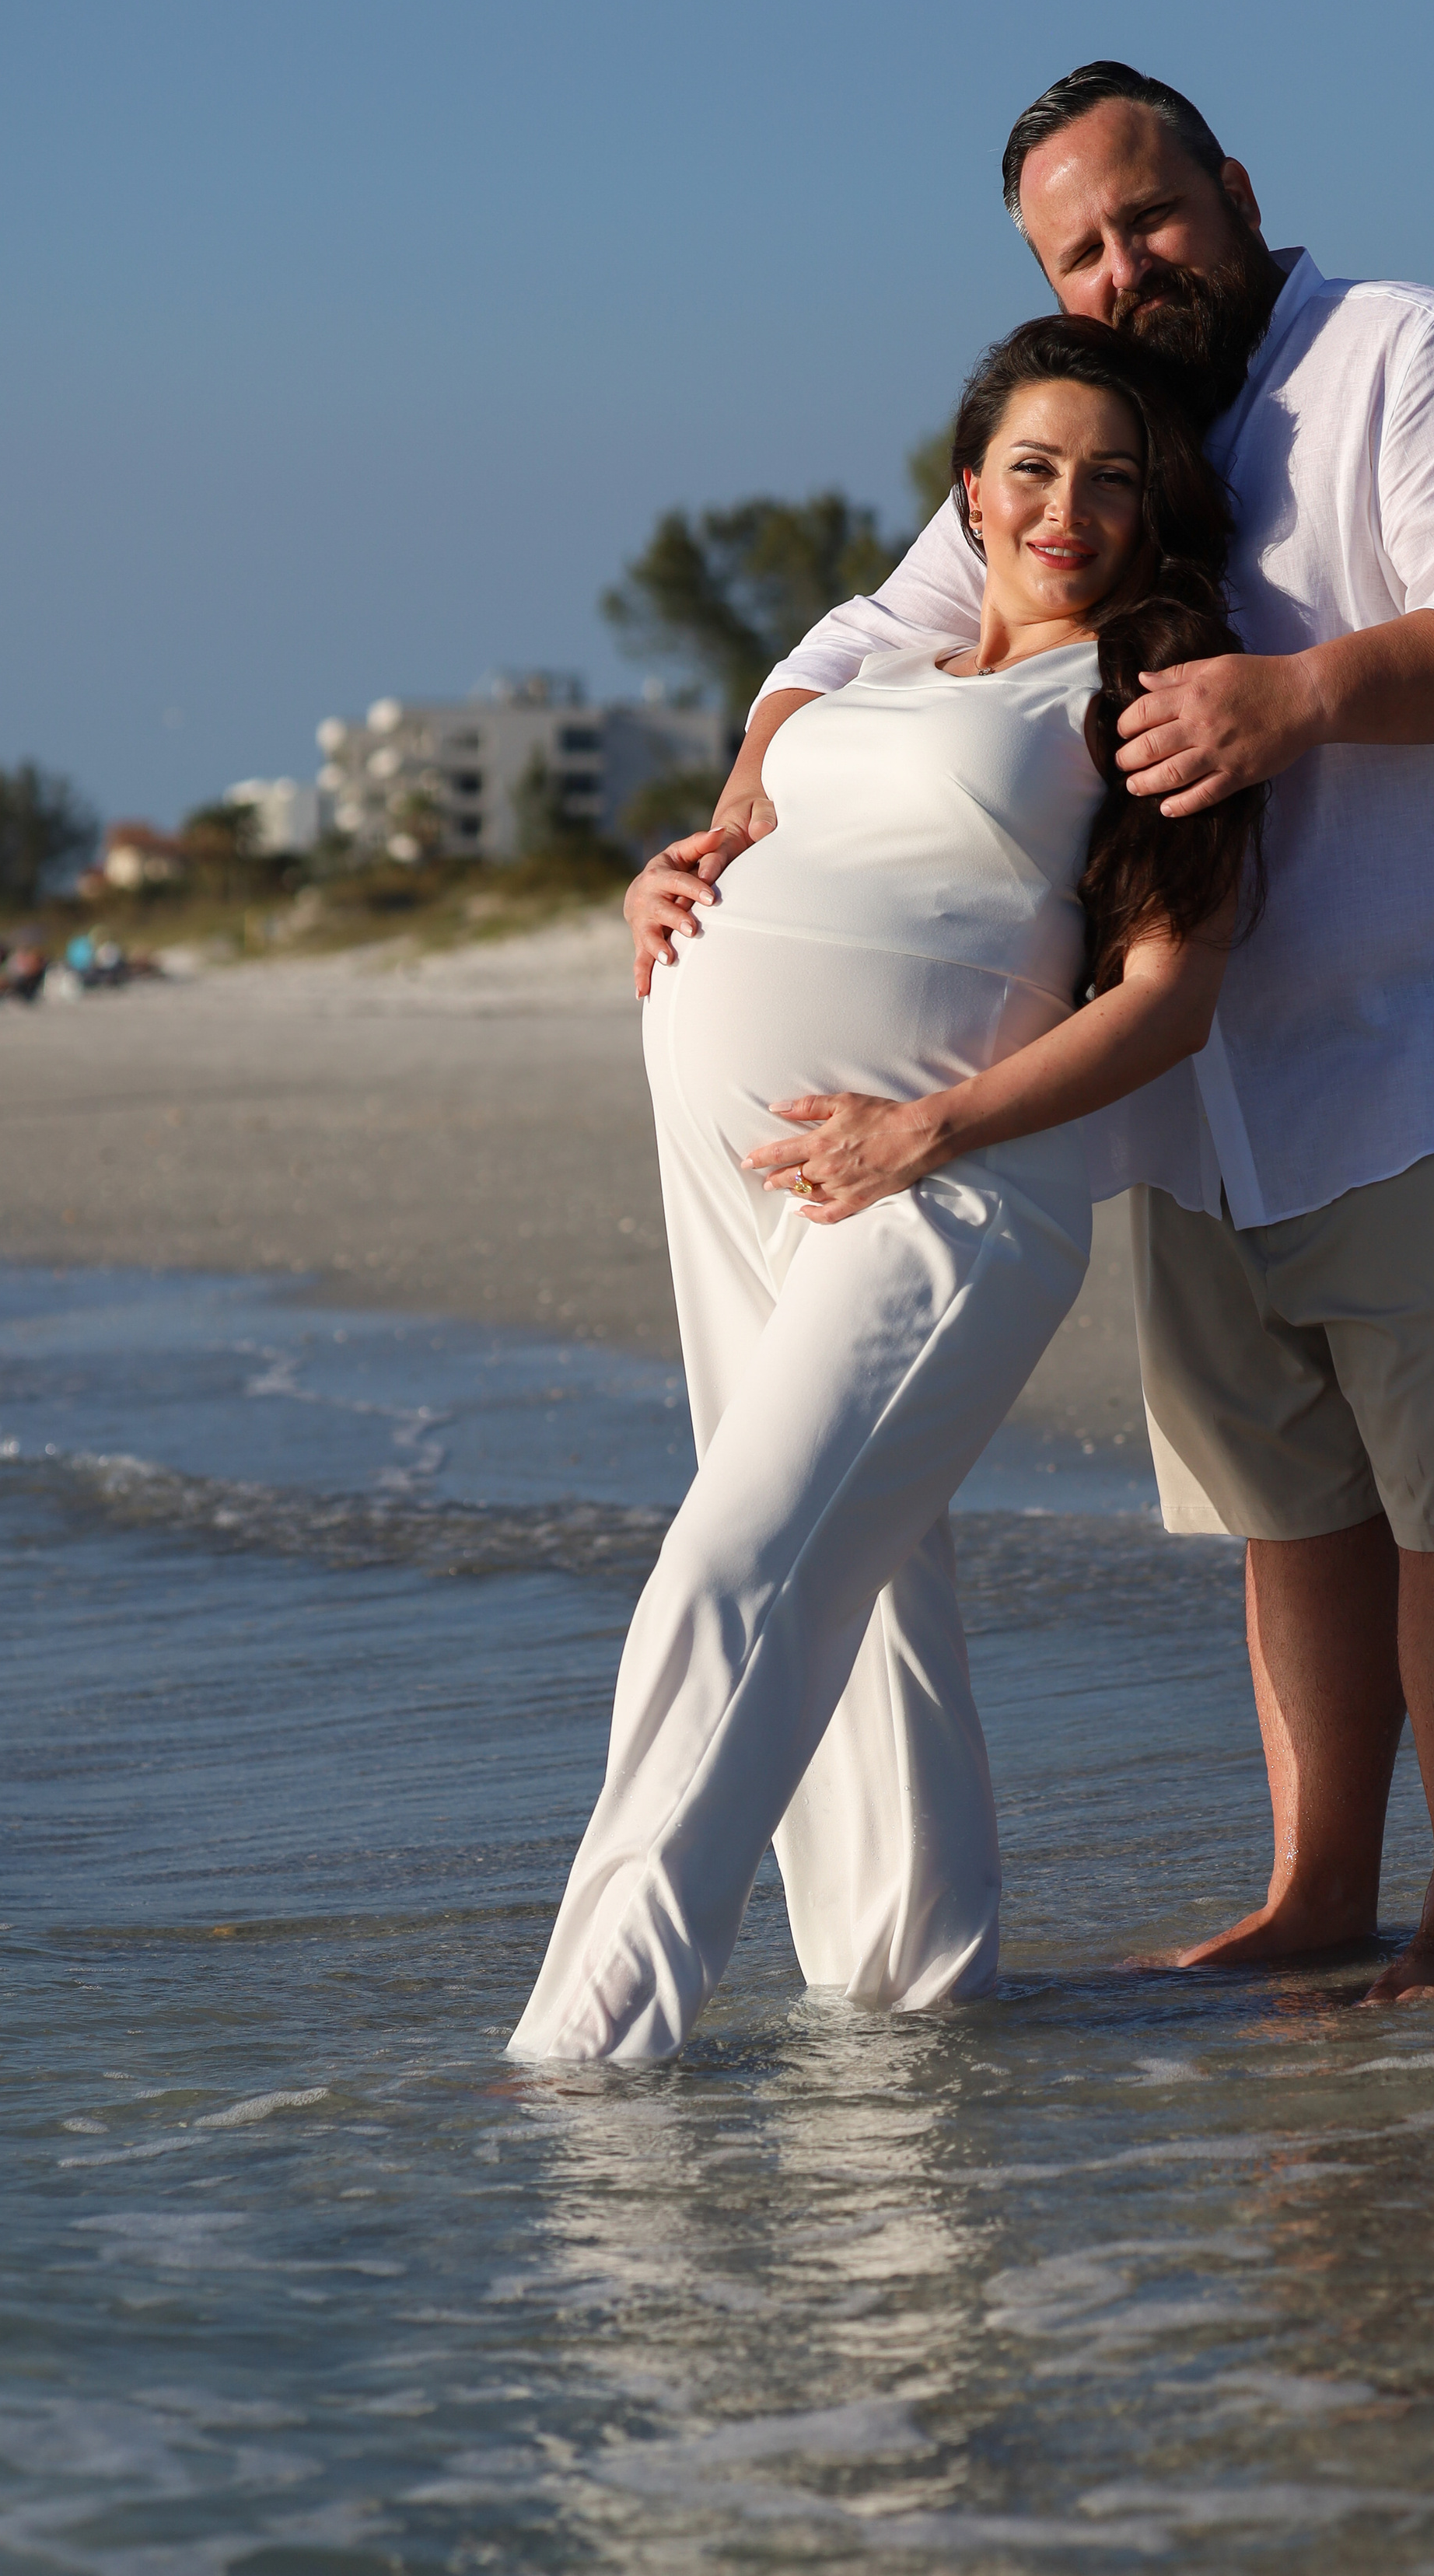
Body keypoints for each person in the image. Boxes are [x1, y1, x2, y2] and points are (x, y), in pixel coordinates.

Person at [688, 63, 1434, 2005]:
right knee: (1287, 1507)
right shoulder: (1095, 445)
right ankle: (1313, 1896)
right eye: (1082, 251)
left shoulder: (1406, 350)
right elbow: (846, 652)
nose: (1129, 269)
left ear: (1231, 186)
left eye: (1152, 220)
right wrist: (715, 833)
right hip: (1202, 1094)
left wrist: (1288, 699)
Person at [509, 316, 1264, 2063]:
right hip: (745, 1168)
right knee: (862, 1599)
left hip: (946, 1190)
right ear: (967, 490)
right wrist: (666, 884)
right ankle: (916, 2008)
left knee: (733, 1571)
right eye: (1031, 467)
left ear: (1151, 512)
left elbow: (1173, 997)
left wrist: (925, 1133)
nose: (1064, 504)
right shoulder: (872, 679)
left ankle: (582, 2056)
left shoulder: (1139, 705)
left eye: (1108, 477)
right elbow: (767, 843)